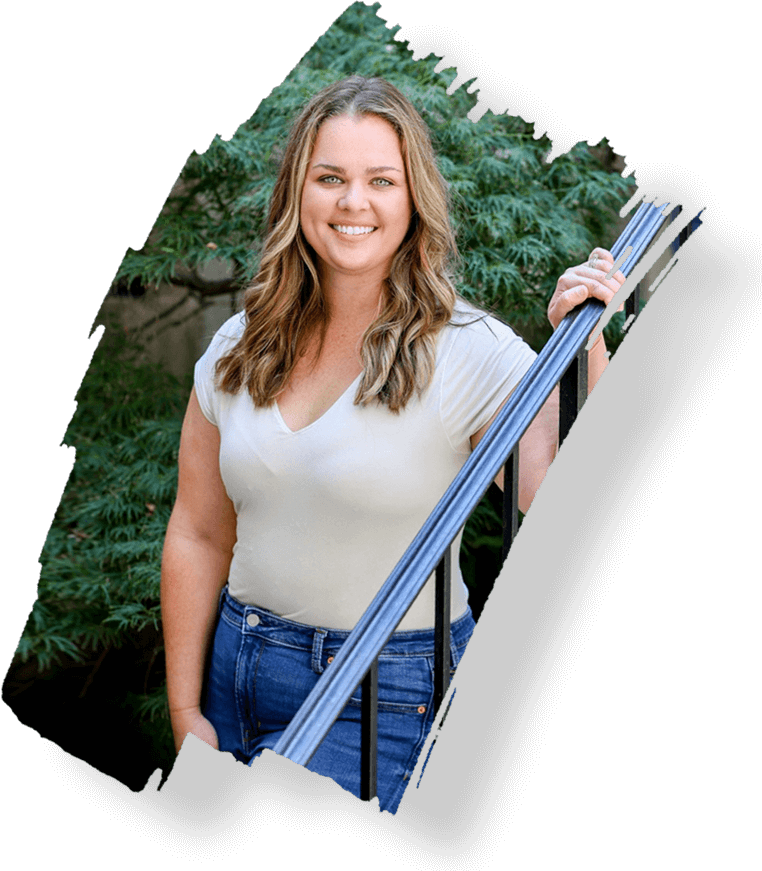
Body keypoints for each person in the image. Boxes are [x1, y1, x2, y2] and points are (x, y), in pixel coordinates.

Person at [160, 75, 626, 813]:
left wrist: (587, 348)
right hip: (236, 664)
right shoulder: (237, 346)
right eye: (331, 178)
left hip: (381, 689)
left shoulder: (468, 350)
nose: (354, 203)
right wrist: (185, 710)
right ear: (297, 193)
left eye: (382, 180)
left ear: (414, 199)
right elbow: (197, 529)